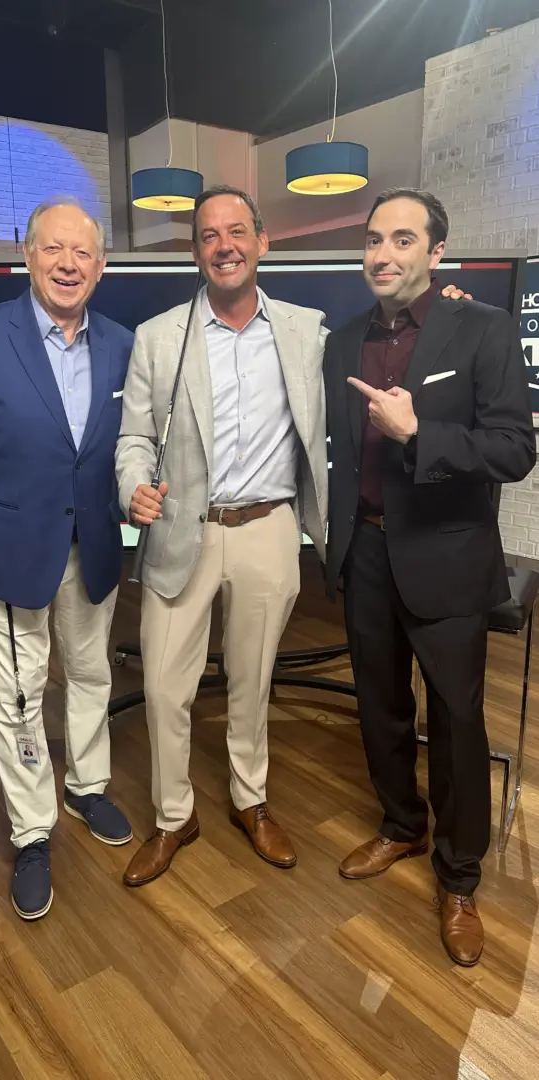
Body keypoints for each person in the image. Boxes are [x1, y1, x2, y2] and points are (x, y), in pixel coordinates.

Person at [324, 187, 536, 966]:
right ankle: (400, 827)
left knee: (454, 724)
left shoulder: (480, 328)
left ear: (435, 252)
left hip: (446, 558)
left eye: (402, 240)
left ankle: (458, 876)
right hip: (366, 553)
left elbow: (514, 449)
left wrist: (422, 434)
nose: (383, 254)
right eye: (374, 240)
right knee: (378, 709)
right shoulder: (341, 342)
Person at [0, 197, 135, 921]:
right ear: (28, 253)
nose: (68, 264)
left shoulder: (120, 343)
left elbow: (124, 447)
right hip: (8, 552)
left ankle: (86, 786)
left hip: (94, 546)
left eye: (83, 253)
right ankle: (33, 830)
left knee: (87, 672)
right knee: (16, 697)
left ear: (101, 267)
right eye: (54, 249)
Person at [115, 185, 329, 885]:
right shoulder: (159, 337)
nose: (224, 245)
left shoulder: (306, 330)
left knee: (252, 680)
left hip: (270, 530)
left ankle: (249, 800)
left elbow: (390, 338)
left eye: (236, 231)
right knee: (166, 688)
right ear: (196, 251)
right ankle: (174, 816)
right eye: (209, 235)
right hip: (184, 530)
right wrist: (133, 486)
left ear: (262, 242)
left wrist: (442, 306)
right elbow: (135, 438)